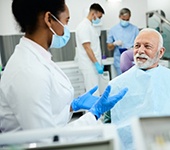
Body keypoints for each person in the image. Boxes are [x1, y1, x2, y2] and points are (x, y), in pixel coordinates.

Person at [0, 0, 128, 133]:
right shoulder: (28, 71)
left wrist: (71, 106)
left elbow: (48, 115)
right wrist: (94, 114)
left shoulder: (37, 57)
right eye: (66, 21)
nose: (66, 28)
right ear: (49, 19)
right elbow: (46, 139)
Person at [104, 28, 170, 149]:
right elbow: (108, 121)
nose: (140, 51)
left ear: (160, 52)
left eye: (147, 46)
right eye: (137, 46)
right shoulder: (117, 84)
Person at [75, 3, 105, 96]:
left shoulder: (90, 26)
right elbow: (87, 48)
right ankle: (92, 111)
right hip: (89, 66)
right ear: (94, 14)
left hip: (92, 66)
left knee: (96, 91)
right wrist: (96, 64)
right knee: (93, 93)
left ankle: (95, 110)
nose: (99, 19)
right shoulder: (83, 27)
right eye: (99, 17)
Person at [106, 8, 139, 75]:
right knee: (122, 81)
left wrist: (133, 48)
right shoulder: (113, 29)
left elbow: (140, 43)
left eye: (127, 19)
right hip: (119, 61)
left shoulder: (134, 29)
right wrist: (114, 44)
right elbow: (109, 47)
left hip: (132, 60)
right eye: (124, 19)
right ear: (120, 17)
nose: (125, 21)